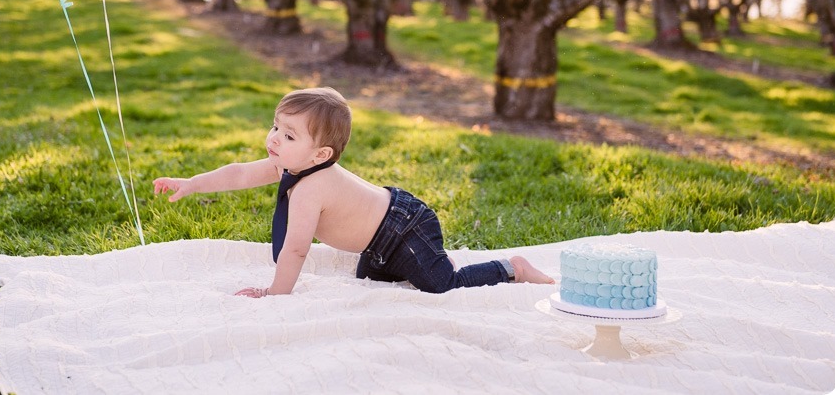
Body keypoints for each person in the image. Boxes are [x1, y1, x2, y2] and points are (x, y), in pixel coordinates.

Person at [153, 87, 554, 298]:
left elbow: (295, 249)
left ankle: (512, 268)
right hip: (378, 241)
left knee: (438, 283)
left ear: (321, 154)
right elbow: (239, 173)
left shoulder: (311, 188)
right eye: (275, 126)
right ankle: (392, 266)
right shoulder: (292, 163)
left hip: (405, 229)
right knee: (377, 283)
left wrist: (276, 291)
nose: (274, 138)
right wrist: (192, 184)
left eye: (288, 135)